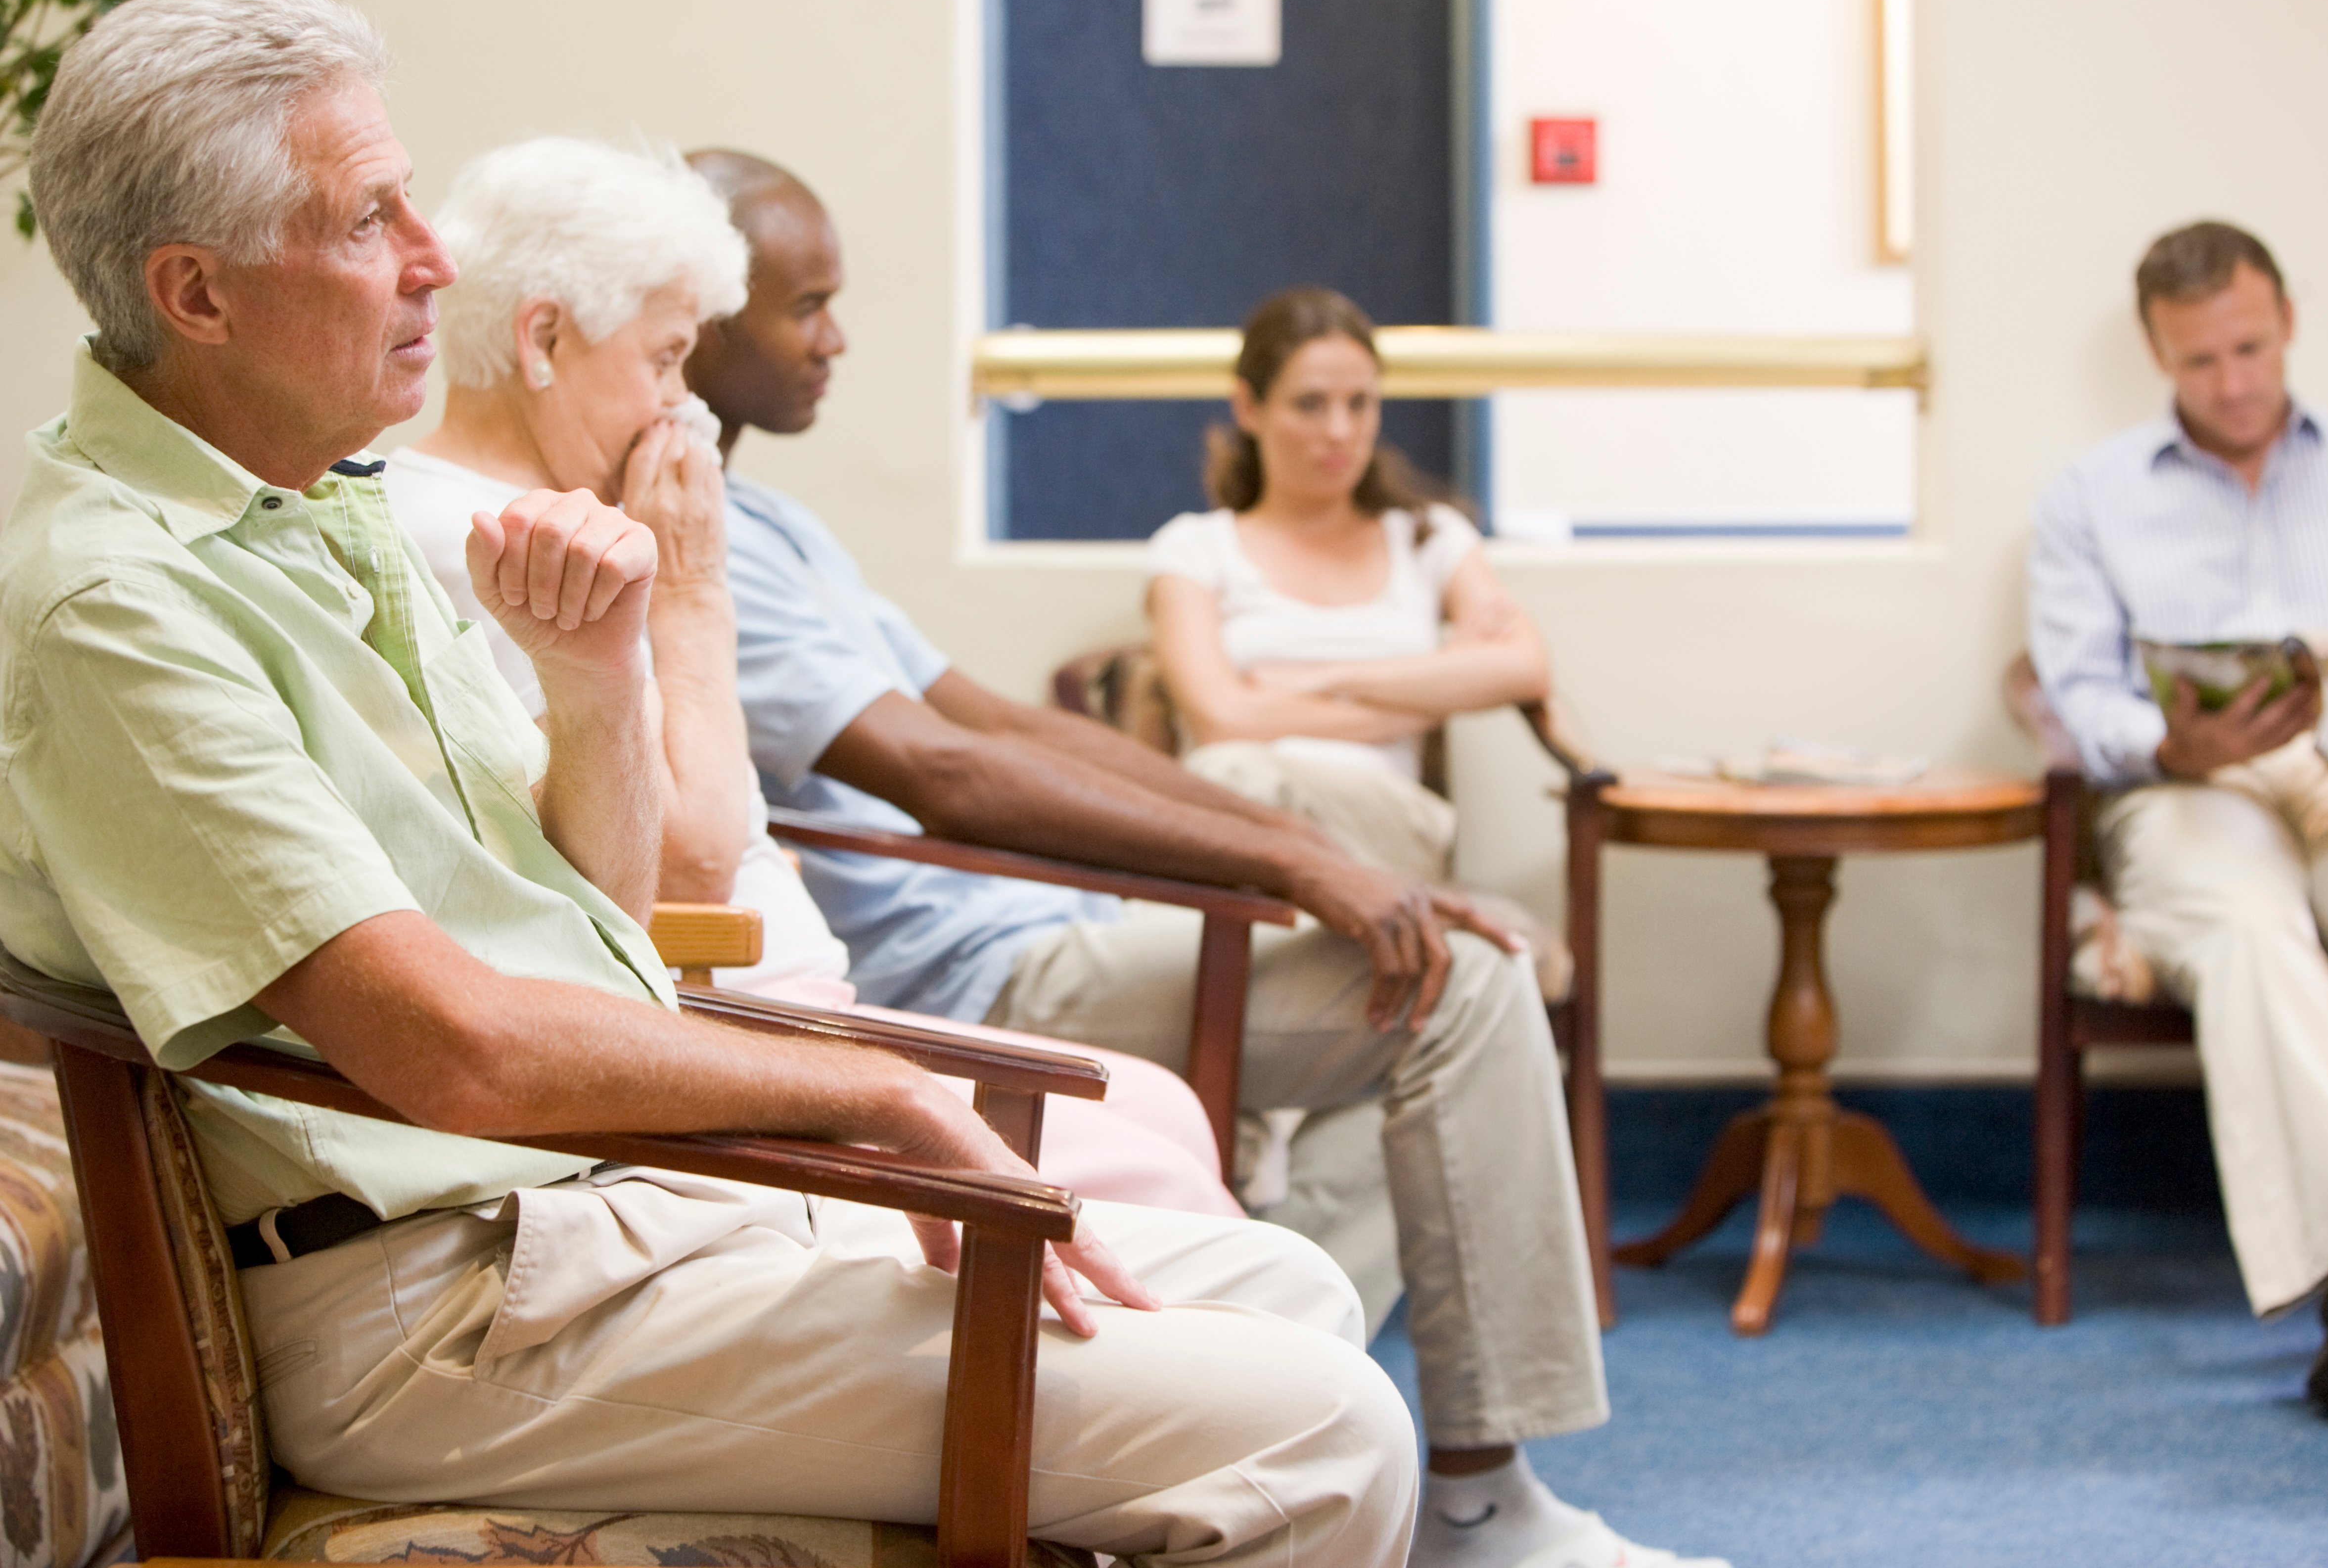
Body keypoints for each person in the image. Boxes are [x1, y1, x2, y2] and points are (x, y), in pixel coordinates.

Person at [0, 0, 1415, 1564]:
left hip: (581, 1213)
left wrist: (598, 675)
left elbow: (596, 925)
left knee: (1298, 1290)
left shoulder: (321, 499)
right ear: (195, 293)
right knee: (1320, 1423)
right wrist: (881, 1095)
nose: (433, 257)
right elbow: (456, 1048)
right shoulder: (119, 600)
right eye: (365, 218)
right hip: (438, 1305)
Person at [689, 149, 1732, 1568]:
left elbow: (989, 714)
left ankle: (1400, 1447)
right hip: (960, 981)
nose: (839, 339)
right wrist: (1303, 861)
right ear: (697, 313)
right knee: (1468, 992)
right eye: (807, 308)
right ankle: (1478, 1506)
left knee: (1439, 964)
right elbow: (941, 769)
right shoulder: (699, 538)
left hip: (1033, 934)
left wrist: (1292, 846)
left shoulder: (772, 522)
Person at [382, 134, 1235, 1218]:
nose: (681, 409)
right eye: (664, 360)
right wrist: (691, 586)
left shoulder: (558, 515)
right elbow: (692, 868)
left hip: (783, 1011)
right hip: (711, 1040)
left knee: (1162, 1111)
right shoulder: (502, 543)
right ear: (543, 337)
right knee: (1162, 1177)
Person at [2029, 219, 2328, 1419]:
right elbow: (2082, 696)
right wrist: (2169, 739)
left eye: (2248, 349)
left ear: (2284, 325)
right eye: (2198, 362)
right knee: (2245, 925)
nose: (2230, 383)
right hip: (2195, 792)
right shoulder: (2090, 499)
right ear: (2157, 355)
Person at [1146, 285, 1551, 883]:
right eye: (1310, 404)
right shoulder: (1194, 549)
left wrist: (1321, 679)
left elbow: (1524, 666)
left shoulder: (1429, 537)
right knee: (1232, 777)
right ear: (1249, 408)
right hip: (1236, 820)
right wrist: (1432, 687)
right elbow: (1225, 721)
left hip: (1385, 825)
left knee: (1235, 779)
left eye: (1360, 404)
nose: (1339, 431)